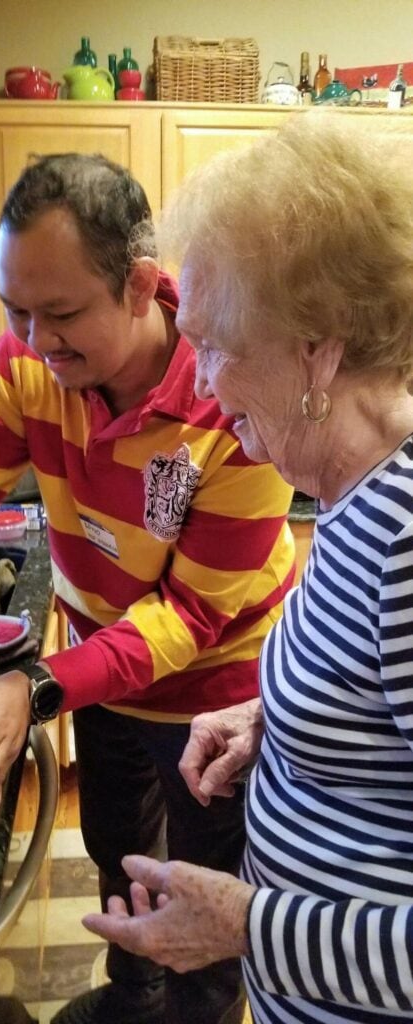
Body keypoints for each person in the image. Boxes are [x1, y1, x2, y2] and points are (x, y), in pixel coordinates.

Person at [0, 152, 295, 1024]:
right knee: (118, 842)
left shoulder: (229, 393)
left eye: (60, 313)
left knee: (202, 887)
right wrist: (68, 679)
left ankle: (195, 1010)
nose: (34, 341)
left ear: (139, 287)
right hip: (102, 672)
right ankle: (134, 995)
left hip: (213, 696)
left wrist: (40, 684)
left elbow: (190, 617)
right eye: (17, 311)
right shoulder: (27, 367)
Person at [82, 112, 413, 1024]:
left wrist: (246, 927)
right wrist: (279, 718)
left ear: (320, 349)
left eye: (222, 349)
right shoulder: (357, 492)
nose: (204, 384)